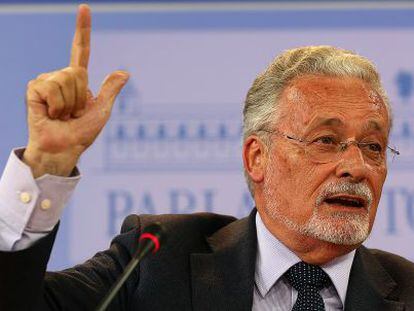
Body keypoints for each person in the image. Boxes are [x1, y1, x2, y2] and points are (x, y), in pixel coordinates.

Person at [0, 4, 413, 311]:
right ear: (257, 158)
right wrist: (45, 168)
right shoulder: (157, 260)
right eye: (326, 140)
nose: (357, 167)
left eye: (373, 147)